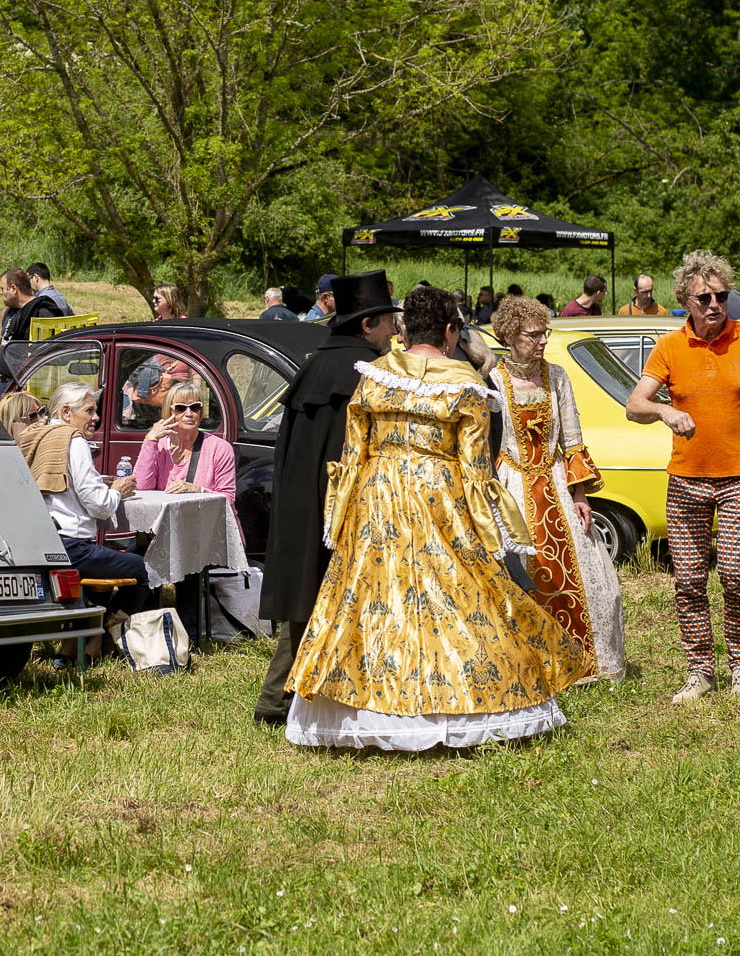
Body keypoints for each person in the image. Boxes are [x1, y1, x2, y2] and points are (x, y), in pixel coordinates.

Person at [284, 285, 590, 750]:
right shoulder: (465, 382)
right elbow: (475, 465)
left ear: (407, 328)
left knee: (374, 595)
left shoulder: (375, 374)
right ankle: (453, 705)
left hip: (377, 493)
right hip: (438, 496)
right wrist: (492, 526)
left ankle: (363, 708)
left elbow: (352, 452)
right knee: (457, 594)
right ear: (450, 331)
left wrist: (342, 512)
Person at [627, 250, 740, 703]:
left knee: (734, 572)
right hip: (687, 479)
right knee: (687, 578)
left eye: (721, 295)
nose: (714, 304)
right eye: (704, 296)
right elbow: (635, 404)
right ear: (685, 298)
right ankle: (700, 670)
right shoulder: (669, 346)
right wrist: (666, 410)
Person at [254, 270, 398, 726]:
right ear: (367, 325)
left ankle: (277, 700)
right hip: (342, 505)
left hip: (303, 503)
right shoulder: (366, 371)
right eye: (388, 322)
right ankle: (308, 701)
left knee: (308, 599)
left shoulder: (316, 364)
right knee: (335, 601)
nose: (394, 331)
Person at [489, 295, 626, 682]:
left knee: (591, 575)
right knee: (521, 573)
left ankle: (588, 663)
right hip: (513, 486)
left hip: (556, 487)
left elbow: (572, 440)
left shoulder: (558, 376)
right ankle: (530, 667)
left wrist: (580, 495)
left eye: (544, 333)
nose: (542, 341)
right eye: (534, 335)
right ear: (511, 336)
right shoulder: (494, 381)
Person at [16, 385, 150, 623]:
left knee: (114, 560)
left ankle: (80, 640)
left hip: (41, 545)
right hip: (73, 548)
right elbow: (97, 504)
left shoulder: (43, 435)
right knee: (145, 569)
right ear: (66, 412)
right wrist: (117, 491)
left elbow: (57, 480)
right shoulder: (74, 440)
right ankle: (104, 632)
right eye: (89, 411)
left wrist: (98, 480)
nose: (96, 418)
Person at [132, 378, 238, 505]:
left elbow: (228, 498)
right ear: (169, 412)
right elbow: (141, 488)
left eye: (195, 407)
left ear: (200, 412)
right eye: (181, 408)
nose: (189, 413)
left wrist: (198, 490)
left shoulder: (219, 448)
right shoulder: (159, 447)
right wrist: (150, 440)